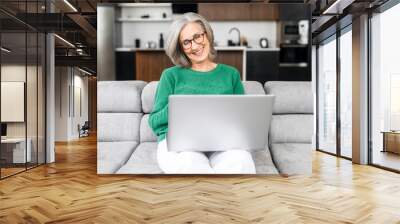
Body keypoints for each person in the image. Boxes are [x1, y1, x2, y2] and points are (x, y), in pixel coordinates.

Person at [148, 12, 256, 174]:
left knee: (241, 161)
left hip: (221, 142)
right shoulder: (170, 75)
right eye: (186, 42)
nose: (195, 46)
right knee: (189, 164)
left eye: (197, 36)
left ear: (207, 35)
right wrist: (179, 105)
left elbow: (241, 119)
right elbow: (154, 121)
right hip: (180, 144)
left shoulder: (231, 74)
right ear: (180, 48)